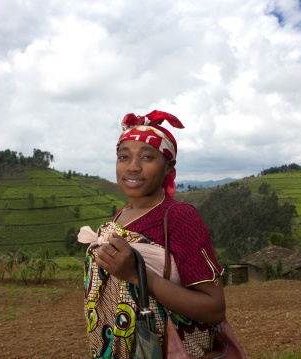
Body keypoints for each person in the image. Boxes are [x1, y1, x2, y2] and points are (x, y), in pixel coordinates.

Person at [80, 110, 225, 358]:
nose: (133, 167)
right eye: (123, 157)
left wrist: (137, 275)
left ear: (169, 165)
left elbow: (214, 309)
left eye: (147, 157)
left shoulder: (179, 217)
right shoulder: (119, 217)